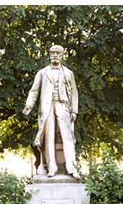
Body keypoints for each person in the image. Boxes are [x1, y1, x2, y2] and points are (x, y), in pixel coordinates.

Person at [21, 44, 82, 179]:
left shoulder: (68, 73)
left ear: (61, 55)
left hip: (63, 106)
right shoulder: (42, 72)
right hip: (47, 107)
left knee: (67, 137)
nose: (54, 55)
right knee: (48, 137)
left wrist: (74, 110)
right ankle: (51, 166)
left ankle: (71, 167)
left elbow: (74, 93)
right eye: (52, 53)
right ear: (49, 55)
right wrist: (29, 105)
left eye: (57, 53)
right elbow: (34, 90)